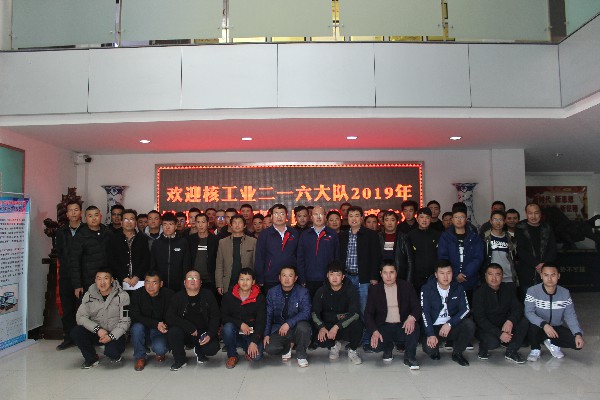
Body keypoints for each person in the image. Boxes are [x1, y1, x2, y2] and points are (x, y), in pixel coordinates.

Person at [339, 205, 382, 352]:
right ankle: (354, 339)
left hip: (364, 279)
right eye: (351, 216)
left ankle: (367, 340)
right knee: (350, 310)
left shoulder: (371, 235)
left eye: (357, 216)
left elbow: (376, 257)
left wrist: (374, 277)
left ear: (362, 218)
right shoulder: (343, 235)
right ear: (347, 218)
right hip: (347, 278)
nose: (354, 219)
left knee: (365, 311)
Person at [365, 262, 421, 369]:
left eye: (391, 272)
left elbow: (417, 307)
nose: (388, 276)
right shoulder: (374, 290)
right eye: (385, 273)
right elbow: (368, 313)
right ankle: (388, 347)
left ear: (396, 273)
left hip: (402, 325)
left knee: (414, 327)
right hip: (383, 326)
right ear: (381, 274)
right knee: (375, 347)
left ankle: (409, 357)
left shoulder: (406, 286)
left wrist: (411, 318)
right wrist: (374, 331)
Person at [70, 269, 130, 368]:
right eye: (99, 279)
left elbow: (125, 321)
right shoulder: (88, 295)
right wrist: (97, 329)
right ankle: (91, 358)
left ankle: (111, 350)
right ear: (95, 280)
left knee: (112, 353)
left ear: (112, 280)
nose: (102, 282)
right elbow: (80, 317)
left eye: (106, 278)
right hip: (97, 332)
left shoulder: (123, 296)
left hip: (115, 333)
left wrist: (111, 336)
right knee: (76, 331)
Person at [525, 264, 585, 362]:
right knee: (531, 324)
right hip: (538, 326)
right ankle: (535, 349)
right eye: (546, 275)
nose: (549, 279)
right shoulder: (532, 291)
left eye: (553, 275)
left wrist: (578, 334)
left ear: (558, 276)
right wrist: (544, 325)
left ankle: (552, 342)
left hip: (555, 327)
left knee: (577, 344)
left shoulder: (565, 293)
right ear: (541, 276)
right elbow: (528, 312)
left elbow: (570, 315)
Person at [421, 260, 475, 366]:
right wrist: (430, 334)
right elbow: (424, 312)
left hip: (451, 326)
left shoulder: (458, 288)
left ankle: (457, 353)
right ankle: (435, 349)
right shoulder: (427, 288)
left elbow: (466, 309)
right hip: (434, 327)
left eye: (448, 273)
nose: (445, 277)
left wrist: (450, 323)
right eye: (442, 273)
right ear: (436, 275)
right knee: (429, 349)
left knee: (469, 324)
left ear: (452, 274)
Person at [472, 264, 528, 363]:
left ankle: (511, 352)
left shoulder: (508, 289)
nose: (494, 278)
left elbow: (518, 308)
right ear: (485, 276)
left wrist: (510, 321)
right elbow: (480, 319)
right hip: (486, 328)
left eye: (497, 274)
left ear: (502, 276)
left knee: (524, 321)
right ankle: (483, 346)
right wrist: (499, 334)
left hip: (504, 325)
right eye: (490, 274)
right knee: (493, 343)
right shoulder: (479, 293)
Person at [166, 270, 220, 371]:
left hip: (203, 333)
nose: (192, 280)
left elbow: (215, 317)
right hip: (184, 332)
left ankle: (200, 352)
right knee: (173, 332)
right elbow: (169, 317)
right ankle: (180, 360)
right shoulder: (177, 297)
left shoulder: (208, 295)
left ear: (200, 282)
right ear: (184, 282)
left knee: (212, 348)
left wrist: (210, 334)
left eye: (195, 278)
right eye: (190, 278)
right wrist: (188, 326)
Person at [311, 261, 363, 365]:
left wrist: (337, 327)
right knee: (319, 337)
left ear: (343, 277)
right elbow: (314, 313)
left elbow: (355, 314)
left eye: (338, 274)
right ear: (327, 275)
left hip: (344, 325)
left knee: (358, 325)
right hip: (328, 324)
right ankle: (334, 346)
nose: (334, 278)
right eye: (331, 274)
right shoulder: (321, 291)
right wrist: (321, 327)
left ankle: (353, 350)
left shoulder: (350, 290)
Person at [264, 266, 312, 367]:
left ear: (295, 278)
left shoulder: (303, 292)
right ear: (279, 277)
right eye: (284, 275)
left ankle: (301, 355)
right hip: (279, 328)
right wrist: (266, 334)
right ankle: (288, 346)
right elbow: (268, 315)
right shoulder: (272, 292)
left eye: (290, 276)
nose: (286, 279)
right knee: (270, 348)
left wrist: (289, 323)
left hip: (296, 327)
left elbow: (306, 312)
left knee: (304, 327)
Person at [438, 205, 484, 304]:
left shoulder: (474, 237)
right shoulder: (445, 237)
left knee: (469, 306)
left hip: (470, 280)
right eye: (456, 217)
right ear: (452, 219)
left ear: (466, 219)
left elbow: (478, 258)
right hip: (451, 280)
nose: (459, 220)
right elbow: (443, 257)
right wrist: (454, 274)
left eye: (462, 217)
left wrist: (466, 274)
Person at [221, 268, 266, 368]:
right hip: (235, 332)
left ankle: (248, 348)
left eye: (248, 279)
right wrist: (240, 324)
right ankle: (232, 355)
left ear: (253, 282)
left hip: (251, 333)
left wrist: (254, 341)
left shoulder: (260, 298)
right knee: (227, 328)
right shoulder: (228, 296)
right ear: (238, 281)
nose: (245, 282)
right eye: (242, 279)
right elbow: (223, 317)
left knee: (257, 357)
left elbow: (261, 322)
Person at [129, 270, 174, 371]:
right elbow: (135, 315)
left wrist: (164, 326)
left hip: (159, 329)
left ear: (161, 284)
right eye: (147, 282)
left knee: (160, 349)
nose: (150, 286)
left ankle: (160, 352)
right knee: (136, 328)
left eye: (154, 282)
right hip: (142, 327)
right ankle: (140, 357)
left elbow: (171, 316)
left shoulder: (169, 295)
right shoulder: (137, 294)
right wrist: (155, 323)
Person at [55, 200, 83, 350]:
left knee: (82, 308)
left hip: (82, 275)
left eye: (76, 210)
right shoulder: (61, 232)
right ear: (66, 214)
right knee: (67, 307)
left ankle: (82, 337)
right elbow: (59, 252)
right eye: (70, 210)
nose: (73, 213)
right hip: (66, 274)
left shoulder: (86, 230)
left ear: (81, 212)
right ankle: (68, 337)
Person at [297, 205, 340, 298]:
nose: (318, 217)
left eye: (321, 214)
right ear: (311, 217)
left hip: (328, 278)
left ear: (325, 217)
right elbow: (300, 258)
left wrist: (335, 277)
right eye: (316, 214)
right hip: (309, 279)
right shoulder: (305, 235)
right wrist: (302, 278)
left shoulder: (332, 234)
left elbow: (337, 257)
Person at [70, 205, 112, 299]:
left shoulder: (108, 233)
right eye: (90, 216)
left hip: (107, 279)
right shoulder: (80, 236)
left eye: (96, 215)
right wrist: (77, 285)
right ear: (85, 218)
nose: (94, 218)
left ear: (100, 216)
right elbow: (74, 262)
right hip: (88, 281)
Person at [254, 204, 299, 293]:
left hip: (290, 278)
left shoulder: (294, 232)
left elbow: (298, 255)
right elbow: (260, 257)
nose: (279, 216)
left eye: (282, 213)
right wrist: (260, 278)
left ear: (286, 216)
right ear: (271, 217)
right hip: (271, 277)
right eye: (276, 214)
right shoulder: (265, 234)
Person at [515, 203, 557, 294]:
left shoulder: (547, 227)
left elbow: (553, 248)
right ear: (526, 214)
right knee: (527, 298)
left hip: (546, 270)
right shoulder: (520, 227)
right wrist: (536, 264)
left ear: (540, 214)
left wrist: (544, 264)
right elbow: (520, 250)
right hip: (527, 271)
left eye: (536, 213)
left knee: (545, 297)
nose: (533, 216)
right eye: (530, 213)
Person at [109, 209, 150, 291]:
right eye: (125, 219)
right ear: (121, 222)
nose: (129, 222)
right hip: (119, 282)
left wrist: (137, 276)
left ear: (135, 222)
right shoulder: (113, 239)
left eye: (131, 219)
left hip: (139, 281)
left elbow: (146, 260)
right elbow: (111, 260)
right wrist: (123, 277)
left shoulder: (143, 239)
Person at [216, 214, 257, 294]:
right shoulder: (222, 242)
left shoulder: (253, 241)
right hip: (228, 281)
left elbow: (255, 263)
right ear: (231, 225)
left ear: (244, 226)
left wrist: (255, 282)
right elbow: (219, 264)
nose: (237, 225)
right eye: (234, 223)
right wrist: (219, 284)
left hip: (247, 282)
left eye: (240, 223)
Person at [150, 212, 191, 291]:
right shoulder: (156, 243)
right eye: (165, 224)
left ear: (175, 226)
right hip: (160, 284)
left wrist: (185, 281)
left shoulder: (183, 242)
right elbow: (153, 264)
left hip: (179, 284)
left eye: (171, 224)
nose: (167, 227)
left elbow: (186, 264)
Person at [407, 207, 441, 290]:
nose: (424, 220)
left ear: (431, 219)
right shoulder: (410, 236)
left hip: (434, 276)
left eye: (427, 217)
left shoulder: (437, 235)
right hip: (416, 277)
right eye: (421, 217)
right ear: (417, 219)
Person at [187, 213, 219, 297]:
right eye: (198, 222)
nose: (200, 225)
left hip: (210, 280)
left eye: (203, 222)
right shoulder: (189, 240)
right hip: (193, 280)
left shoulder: (215, 240)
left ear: (208, 224)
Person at [481, 210, 517, 284]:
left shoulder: (510, 239)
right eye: (495, 220)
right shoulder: (484, 238)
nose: (498, 223)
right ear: (491, 221)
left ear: (504, 221)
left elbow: (515, 258)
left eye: (500, 220)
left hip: (508, 277)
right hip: (491, 278)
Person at [378, 210, 412, 283]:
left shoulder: (404, 237)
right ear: (383, 222)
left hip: (400, 275)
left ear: (397, 222)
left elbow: (410, 261)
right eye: (387, 220)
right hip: (381, 276)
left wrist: (408, 281)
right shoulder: (377, 237)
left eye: (392, 220)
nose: (390, 223)